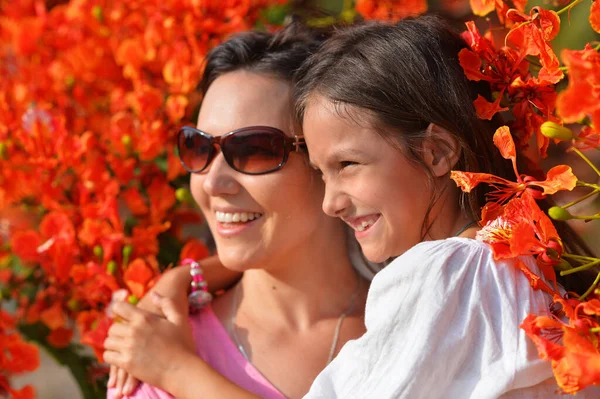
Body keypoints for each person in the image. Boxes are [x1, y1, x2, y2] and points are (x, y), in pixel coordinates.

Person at [107, 16, 599, 398]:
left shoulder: (442, 278)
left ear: (436, 153)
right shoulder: (514, 259)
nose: (331, 201)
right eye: (196, 146)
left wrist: (177, 370)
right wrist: (190, 279)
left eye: (255, 148)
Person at [103, 24, 375, 399]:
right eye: (198, 147)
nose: (213, 182)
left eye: (254, 149)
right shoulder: (155, 358)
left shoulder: (419, 318)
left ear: (328, 160)